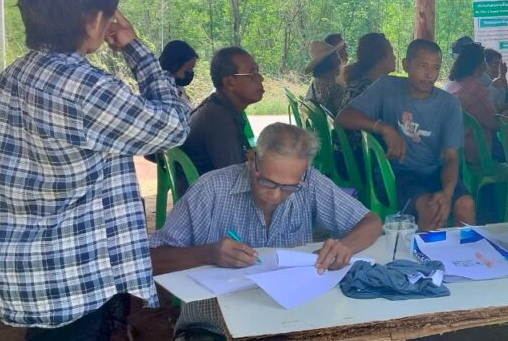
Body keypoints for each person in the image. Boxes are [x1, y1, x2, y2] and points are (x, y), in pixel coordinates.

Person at [0, 0, 190, 340]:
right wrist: (135, 48)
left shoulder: (13, 75)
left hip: (32, 267)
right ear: (95, 20)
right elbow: (174, 126)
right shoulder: (88, 87)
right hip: (74, 273)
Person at [151, 123, 381, 339]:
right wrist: (208, 254)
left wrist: (345, 247)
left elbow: (371, 221)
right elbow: (152, 258)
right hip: (215, 327)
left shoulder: (310, 183)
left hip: (288, 320)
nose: (275, 195)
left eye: (289, 187)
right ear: (252, 160)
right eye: (267, 182)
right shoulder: (211, 189)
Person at [337, 39, 476, 231]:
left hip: (436, 171)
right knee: (430, 208)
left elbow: (451, 158)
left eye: (436, 68)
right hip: (399, 173)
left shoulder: (449, 104)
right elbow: (343, 117)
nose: (429, 74)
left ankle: (466, 250)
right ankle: (423, 251)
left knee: (466, 204)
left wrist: (447, 193)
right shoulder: (386, 87)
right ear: (406, 65)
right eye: (423, 66)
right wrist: (384, 128)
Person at [181, 47, 265, 178]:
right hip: (212, 190)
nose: (260, 78)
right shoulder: (218, 121)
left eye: (258, 72)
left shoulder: (220, 109)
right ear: (229, 81)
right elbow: (234, 179)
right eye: (251, 73)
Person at [445, 43, 504, 164]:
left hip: (455, 150)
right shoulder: (475, 90)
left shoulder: (452, 85)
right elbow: (495, 123)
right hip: (476, 154)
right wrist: (507, 114)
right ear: (480, 63)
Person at [341, 32, 396, 109]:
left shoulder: (363, 85)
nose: (394, 57)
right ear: (380, 57)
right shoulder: (366, 91)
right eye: (391, 52)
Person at [305, 39, 346, 114]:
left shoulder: (315, 82)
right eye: (336, 56)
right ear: (328, 62)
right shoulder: (334, 88)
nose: (340, 60)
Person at [158, 40, 199, 108]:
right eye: (189, 68)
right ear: (176, 64)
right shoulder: (162, 87)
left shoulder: (177, 85)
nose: (190, 72)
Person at [483, 48, 508, 113]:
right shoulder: (485, 84)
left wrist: (503, 76)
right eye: (495, 64)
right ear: (485, 65)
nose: (499, 67)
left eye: (500, 64)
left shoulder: (495, 83)